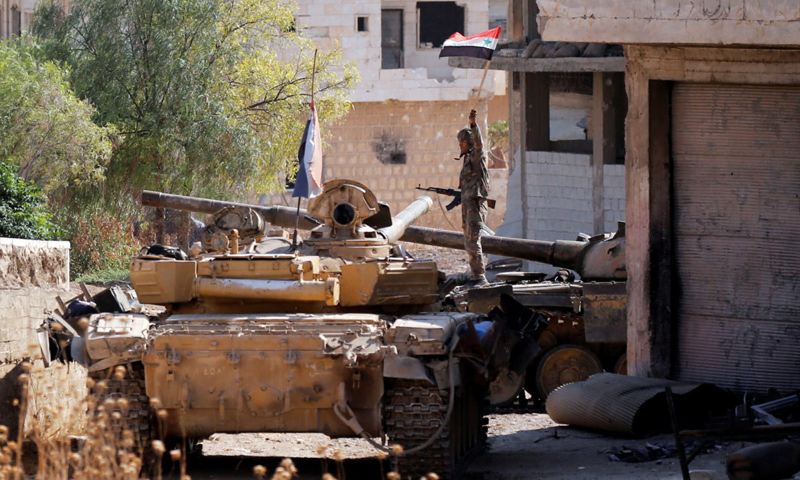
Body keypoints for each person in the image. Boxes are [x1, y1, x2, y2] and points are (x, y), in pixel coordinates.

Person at [456, 108, 490, 287]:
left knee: (473, 240)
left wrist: (473, 125)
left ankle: (480, 278)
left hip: (475, 205)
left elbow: (479, 144)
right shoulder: (467, 159)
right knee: (468, 241)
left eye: (462, 141)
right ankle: (475, 276)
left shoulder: (478, 156)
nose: (460, 144)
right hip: (468, 204)